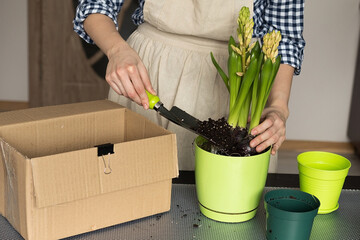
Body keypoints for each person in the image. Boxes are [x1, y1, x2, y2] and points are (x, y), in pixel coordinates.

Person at [73, 0, 305, 171]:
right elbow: (95, 7)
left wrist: (278, 108)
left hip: (239, 83)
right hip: (151, 74)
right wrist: (117, 51)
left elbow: (283, 38)